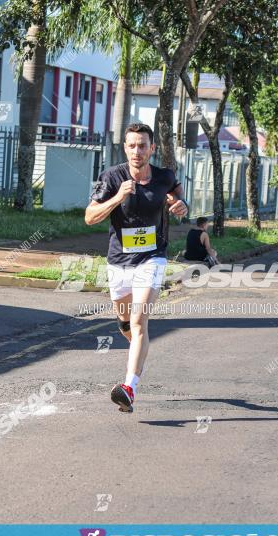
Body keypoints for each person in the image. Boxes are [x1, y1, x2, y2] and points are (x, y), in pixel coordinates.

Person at [85, 122, 188, 412]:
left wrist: (181, 205)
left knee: (139, 322)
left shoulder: (164, 176)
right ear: (125, 148)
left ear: (151, 149)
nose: (137, 150)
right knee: (125, 325)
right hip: (119, 261)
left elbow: (179, 198)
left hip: (152, 258)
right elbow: (89, 217)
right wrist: (118, 197)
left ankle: (129, 387)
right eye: (131, 145)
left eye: (143, 145)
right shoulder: (111, 177)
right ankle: (139, 352)